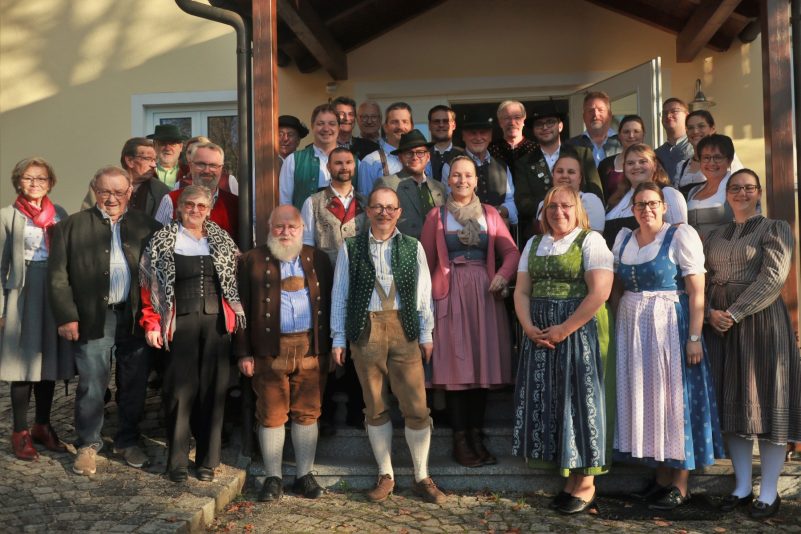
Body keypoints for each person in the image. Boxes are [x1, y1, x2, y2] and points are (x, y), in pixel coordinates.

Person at [612, 182, 724, 511]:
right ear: (632, 209)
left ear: (663, 207)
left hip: (670, 326)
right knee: (650, 400)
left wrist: (694, 338)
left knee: (676, 401)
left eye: (652, 203)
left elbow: (697, 291)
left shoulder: (679, 236)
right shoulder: (624, 239)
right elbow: (617, 288)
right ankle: (661, 479)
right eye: (640, 204)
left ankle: (681, 484)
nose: (646, 209)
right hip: (634, 328)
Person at [330, 186, 446, 504]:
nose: (384, 212)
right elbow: (340, 294)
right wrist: (338, 337)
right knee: (375, 405)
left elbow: (424, 294)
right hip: (365, 331)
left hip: (404, 330)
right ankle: (386, 475)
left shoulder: (413, 246)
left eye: (390, 207)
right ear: (368, 211)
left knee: (416, 407)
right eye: (378, 207)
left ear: (399, 213)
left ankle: (422, 476)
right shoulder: (350, 248)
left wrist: (426, 334)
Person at [49, 165, 161, 476]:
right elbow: (58, 277)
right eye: (104, 191)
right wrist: (67, 316)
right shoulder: (71, 227)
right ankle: (88, 444)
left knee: (134, 382)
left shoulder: (147, 226)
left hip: (134, 316)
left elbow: (160, 274)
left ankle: (127, 440)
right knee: (92, 383)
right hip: (93, 316)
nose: (111, 198)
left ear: (129, 192)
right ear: (94, 191)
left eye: (118, 192)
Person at [703, 169, 801, 518]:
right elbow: (702, 278)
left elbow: (773, 278)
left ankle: (770, 491)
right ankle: (742, 486)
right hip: (721, 327)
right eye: (735, 188)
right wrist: (710, 314)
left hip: (761, 324)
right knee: (734, 404)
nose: (741, 193)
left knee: (767, 401)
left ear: (758, 192)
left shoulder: (775, 228)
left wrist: (734, 312)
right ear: (726, 193)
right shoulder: (715, 234)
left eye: (748, 188)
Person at [512, 185, 613, 515]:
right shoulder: (534, 243)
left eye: (565, 206)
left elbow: (600, 292)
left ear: (578, 209)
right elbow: (522, 291)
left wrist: (564, 328)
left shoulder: (590, 241)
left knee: (581, 401)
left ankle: (587, 483)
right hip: (540, 333)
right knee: (555, 402)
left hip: (578, 330)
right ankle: (569, 480)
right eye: (552, 207)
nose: (559, 212)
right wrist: (528, 327)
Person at [140, 185, 244, 483]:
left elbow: (235, 280)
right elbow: (148, 286)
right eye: (189, 204)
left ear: (209, 210)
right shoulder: (162, 240)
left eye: (201, 206)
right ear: (179, 207)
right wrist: (152, 323)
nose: (195, 210)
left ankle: (208, 461)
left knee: (214, 391)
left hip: (216, 324)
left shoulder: (222, 239)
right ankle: (177, 462)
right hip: (178, 323)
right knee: (178, 392)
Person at [420, 156, 520, 467]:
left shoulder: (490, 214)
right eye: (456, 175)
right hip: (449, 296)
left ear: (476, 181)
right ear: (447, 180)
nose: (462, 180)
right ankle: (460, 438)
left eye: (468, 175)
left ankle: (476, 434)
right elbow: (425, 262)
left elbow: (512, 252)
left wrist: (502, 275)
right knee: (456, 368)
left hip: (484, 296)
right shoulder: (436, 216)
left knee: (481, 367)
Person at [236, 205, 333, 501]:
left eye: (292, 227)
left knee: (308, 412)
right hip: (269, 350)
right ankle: (273, 477)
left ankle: (304, 475)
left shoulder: (318, 259)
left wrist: (331, 347)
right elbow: (240, 309)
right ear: (269, 228)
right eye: (279, 226)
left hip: (310, 348)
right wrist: (243, 353)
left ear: (302, 229)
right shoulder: (251, 260)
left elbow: (332, 303)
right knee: (271, 414)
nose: (285, 232)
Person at [0, 157, 72, 461]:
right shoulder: (7, 216)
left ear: (50, 183)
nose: (34, 184)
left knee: (47, 362)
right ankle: (20, 431)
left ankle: (42, 424)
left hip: (53, 291)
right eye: (28, 178)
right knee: (21, 365)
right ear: (18, 181)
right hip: (21, 293)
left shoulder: (60, 214)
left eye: (41, 178)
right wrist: (1, 309)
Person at [300, 147, 367, 429]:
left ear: (355, 166)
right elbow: (306, 244)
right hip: (325, 281)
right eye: (338, 162)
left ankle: (356, 410)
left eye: (349, 162)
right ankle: (324, 410)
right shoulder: (314, 202)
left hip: (361, 282)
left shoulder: (366, 202)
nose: (344, 166)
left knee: (358, 345)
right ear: (329, 167)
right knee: (325, 344)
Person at [513, 109, 601, 241]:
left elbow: (595, 190)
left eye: (550, 122)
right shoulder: (524, 162)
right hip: (542, 232)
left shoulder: (582, 154)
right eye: (539, 124)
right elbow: (522, 202)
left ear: (560, 126)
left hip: (583, 226)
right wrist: (552, 204)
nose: (545, 127)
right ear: (534, 130)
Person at [603, 144, 687, 248]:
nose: (636, 166)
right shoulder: (617, 198)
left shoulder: (668, 194)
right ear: (624, 168)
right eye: (630, 163)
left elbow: (679, 237)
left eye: (642, 162)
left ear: (654, 165)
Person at [154, 142, 239, 243]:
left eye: (213, 165)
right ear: (190, 165)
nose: (207, 170)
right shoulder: (171, 200)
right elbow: (156, 242)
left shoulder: (235, 203)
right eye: (201, 164)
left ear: (221, 168)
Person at [443, 113, 518, 224]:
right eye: (472, 133)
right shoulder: (450, 166)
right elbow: (449, 202)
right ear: (463, 136)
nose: (478, 138)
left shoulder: (502, 167)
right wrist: (487, 214)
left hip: (498, 230)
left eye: (483, 132)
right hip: (462, 229)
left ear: (490, 136)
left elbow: (511, 204)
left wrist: (499, 211)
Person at [374, 130, 447, 239]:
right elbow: (376, 224)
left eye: (420, 152)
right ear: (400, 157)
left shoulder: (439, 187)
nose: (415, 157)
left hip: (435, 248)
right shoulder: (387, 184)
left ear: (428, 157)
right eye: (409, 153)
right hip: (401, 248)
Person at [279, 104, 339, 209]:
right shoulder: (292, 160)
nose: (326, 128)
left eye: (332, 124)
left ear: (339, 127)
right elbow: (285, 203)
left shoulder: (355, 162)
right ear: (312, 126)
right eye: (320, 123)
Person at [674, 110, 744, 196]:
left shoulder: (726, 160)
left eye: (701, 126)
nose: (695, 131)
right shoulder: (682, 167)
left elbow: (742, 187)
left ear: (712, 129)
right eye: (690, 128)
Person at [534, 154, 605, 232]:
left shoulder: (589, 200)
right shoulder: (543, 204)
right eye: (559, 171)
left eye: (571, 172)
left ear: (580, 178)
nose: (564, 175)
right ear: (553, 175)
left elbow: (594, 236)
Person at [686, 134, 736, 240]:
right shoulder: (693, 191)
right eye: (706, 158)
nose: (711, 163)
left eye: (717, 157)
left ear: (729, 160)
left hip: (724, 249)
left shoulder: (737, 188)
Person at [358, 102, 414, 195]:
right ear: (385, 127)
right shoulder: (370, 162)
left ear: (412, 127)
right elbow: (365, 199)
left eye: (405, 122)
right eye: (394, 122)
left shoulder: (422, 160)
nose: (400, 127)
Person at [597, 115, 645, 201]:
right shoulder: (605, 164)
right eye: (626, 132)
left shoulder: (654, 161)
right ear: (619, 135)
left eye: (636, 131)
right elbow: (600, 196)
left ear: (643, 134)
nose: (631, 135)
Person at [567, 92, 621, 167]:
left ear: (609, 115)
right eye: (590, 111)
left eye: (600, 110)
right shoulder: (571, 146)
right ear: (584, 117)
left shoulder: (622, 142)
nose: (595, 114)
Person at [488, 100, 537, 170]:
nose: (512, 123)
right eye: (507, 118)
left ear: (524, 120)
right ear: (500, 122)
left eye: (517, 117)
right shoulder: (490, 150)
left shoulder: (535, 149)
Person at [655, 98, 693, 184]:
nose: (668, 115)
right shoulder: (657, 154)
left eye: (674, 111)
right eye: (665, 113)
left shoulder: (696, 148)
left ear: (687, 116)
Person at [427, 105, 464, 182]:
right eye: (436, 121)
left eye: (446, 121)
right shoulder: (420, 156)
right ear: (429, 126)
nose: (441, 125)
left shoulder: (464, 155)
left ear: (454, 125)